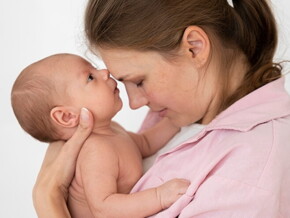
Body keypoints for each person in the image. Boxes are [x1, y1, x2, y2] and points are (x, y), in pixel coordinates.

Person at [33, 0, 290, 217]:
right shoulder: (177, 113)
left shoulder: (249, 174)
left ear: (194, 47)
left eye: (139, 81)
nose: (134, 103)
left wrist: (49, 202)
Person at [11, 54, 190, 217]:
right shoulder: (95, 151)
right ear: (67, 116)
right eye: (90, 77)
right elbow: (105, 208)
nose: (104, 72)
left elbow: (144, 143)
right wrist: (159, 196)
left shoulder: (111, 130)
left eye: (95, 68)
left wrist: (176, 119)